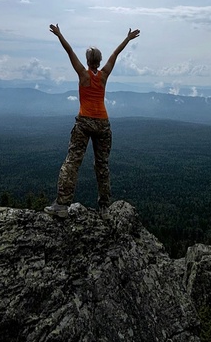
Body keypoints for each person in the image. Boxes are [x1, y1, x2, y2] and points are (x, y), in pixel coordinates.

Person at [44, 23, 140, 218]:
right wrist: (127, 39)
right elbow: (116, 54)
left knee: (72, 162)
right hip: (103, 123)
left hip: (84, 122)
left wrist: (60, 35)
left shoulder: (83, 74)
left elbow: (69, 50)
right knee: (102, 165)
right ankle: (105, 207)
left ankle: (62, 205)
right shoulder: (104, 75)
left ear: (87, 61)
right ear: (100, 60)